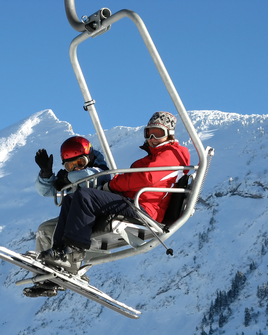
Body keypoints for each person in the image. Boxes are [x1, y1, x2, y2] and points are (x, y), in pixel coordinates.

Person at [40, 111, 191, 281]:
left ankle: (73, 252)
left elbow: (145, 177)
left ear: (170, 135)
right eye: (148, 133)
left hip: (144, 208)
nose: (152, 138)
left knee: (84, 196)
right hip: (133, 201)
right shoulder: (155, 156)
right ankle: (59, 252)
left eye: (158, 133)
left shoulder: (172, 154)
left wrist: (112, 185)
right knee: (70, 198)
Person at [23, 136, 110, 298]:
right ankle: (44, 275)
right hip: (75, 218)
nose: (76, 168)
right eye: (71, 165)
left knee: (66, 230)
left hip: (95, 217)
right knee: (45, 229)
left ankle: (72, 265)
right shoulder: (70, 176)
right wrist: (46, 173)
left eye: (80, 163)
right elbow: (46, 191)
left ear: (89, 158)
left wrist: (66, 178)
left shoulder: (101, 171)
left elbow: (87, 175)